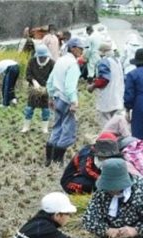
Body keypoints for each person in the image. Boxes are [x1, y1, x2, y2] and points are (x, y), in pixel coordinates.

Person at [46, 37, 85, 167]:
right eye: (80, 48)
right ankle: (58, 161)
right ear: (73, 48)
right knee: (67, 130)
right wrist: (74, 102)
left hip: (57, 98)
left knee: (56, 127)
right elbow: (70, 86)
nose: (82, 51)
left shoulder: (60, 61)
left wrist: (51, 97)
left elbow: (50, 81)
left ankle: (48, 159)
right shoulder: (73, 64)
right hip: (66, 100)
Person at [88, 41, 125, 127]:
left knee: (106, 124)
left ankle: (108, 139)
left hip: (107, 98)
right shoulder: (117, 61)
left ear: (103, 52)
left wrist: (92, 86)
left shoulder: (104, 62)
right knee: (116, 123)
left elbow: (104, 79)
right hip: (117, 97)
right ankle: (115, 139)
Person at [21, 45, 54, 134]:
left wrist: (47, 87)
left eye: (44, 57)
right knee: (29, 109)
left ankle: (44, 128)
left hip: (46, 89)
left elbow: (54, 77)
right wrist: (34, 82)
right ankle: (26, 127)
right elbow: (28, 74)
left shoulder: (51, 63)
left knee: (46, 110)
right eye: (41, 57)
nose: (42, 58)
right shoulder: (32, 62)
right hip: (34, 89)